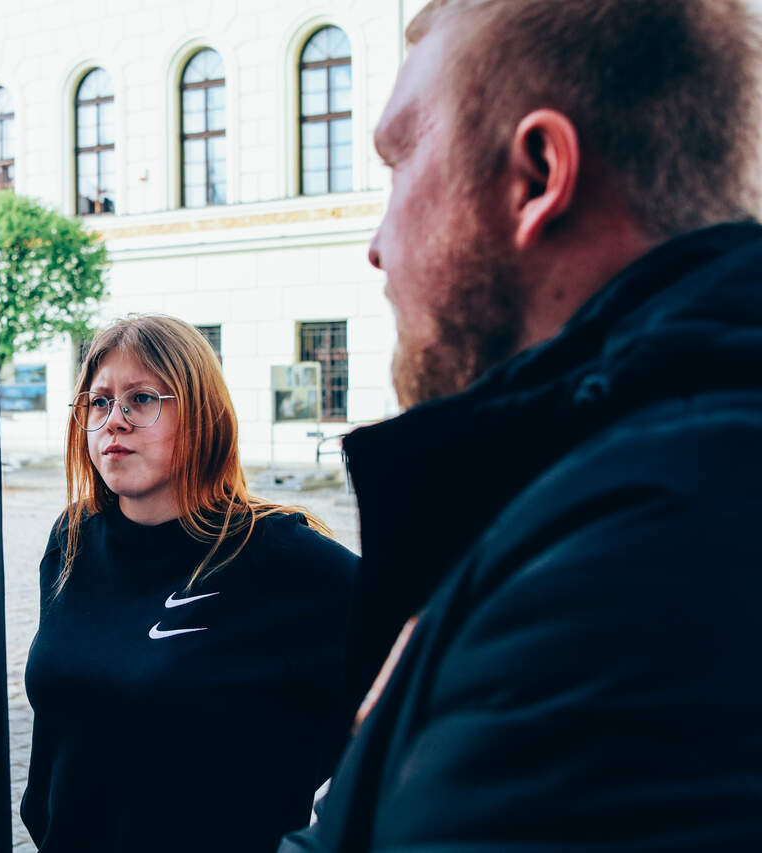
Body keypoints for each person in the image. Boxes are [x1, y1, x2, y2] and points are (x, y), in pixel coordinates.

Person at [281, 0, 762, 850]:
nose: (377, 245)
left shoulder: (627, 569)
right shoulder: (630, 483)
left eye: (398, 159)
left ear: (537, 175)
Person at [21, 314, 359, 852]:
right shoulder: (72, 539)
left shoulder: (280, 556)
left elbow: (414, 689)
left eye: (141, 399)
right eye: (100, 402)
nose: (115, 421)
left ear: (202, 414)